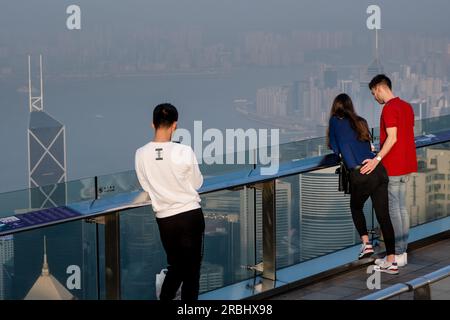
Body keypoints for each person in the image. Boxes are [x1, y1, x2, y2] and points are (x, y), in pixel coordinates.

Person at [135, 103, 205, 300]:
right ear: (175, 125)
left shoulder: (140, 154)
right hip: (190, 215)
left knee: (176, 266)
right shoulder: (184, 151)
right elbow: (197, 182)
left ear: (152, 124)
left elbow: (145, 185)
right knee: (192, 272)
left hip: (165, 219)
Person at [328, 93, 398, 274]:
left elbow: (335, 149)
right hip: (378, 170)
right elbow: (369, 147)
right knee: (384, 216)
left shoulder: (335, 121)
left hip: (361, 173)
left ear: (335, 108)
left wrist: (341, 152)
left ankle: (366, 244)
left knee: (356, 207)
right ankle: (392, 261)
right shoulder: (361, 121)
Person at [361, 74, 417, 268]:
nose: (374, 98)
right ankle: (403, 251)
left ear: (379, 88)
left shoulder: (389, 109)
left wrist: (376, 159)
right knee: (402, 208)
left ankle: (398, 253)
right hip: (408, 163)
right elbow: (404, 135)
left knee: (394, 210)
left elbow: (392, 138)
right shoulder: (407, 107)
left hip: (393, 166)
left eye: (373, 93)